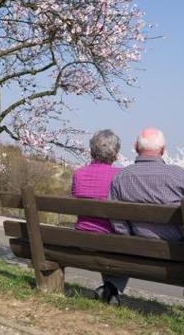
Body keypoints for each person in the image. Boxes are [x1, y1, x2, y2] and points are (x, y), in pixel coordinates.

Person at [104, 127, 184, 304]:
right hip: (178, 250)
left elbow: (117, 221)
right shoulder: (178, 175)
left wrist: (130, 240)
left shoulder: (120, 177)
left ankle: (110, 288)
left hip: (137, 247)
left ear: (136, 147)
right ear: (163, 150)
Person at [71, 129, 122, 305]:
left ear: (92, 150)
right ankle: (110, 288)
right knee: (127, 241)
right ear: (115, 154)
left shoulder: (78, 174)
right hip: (109, 241)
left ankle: (109, 289)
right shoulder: (119, 177)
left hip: (81, 237)